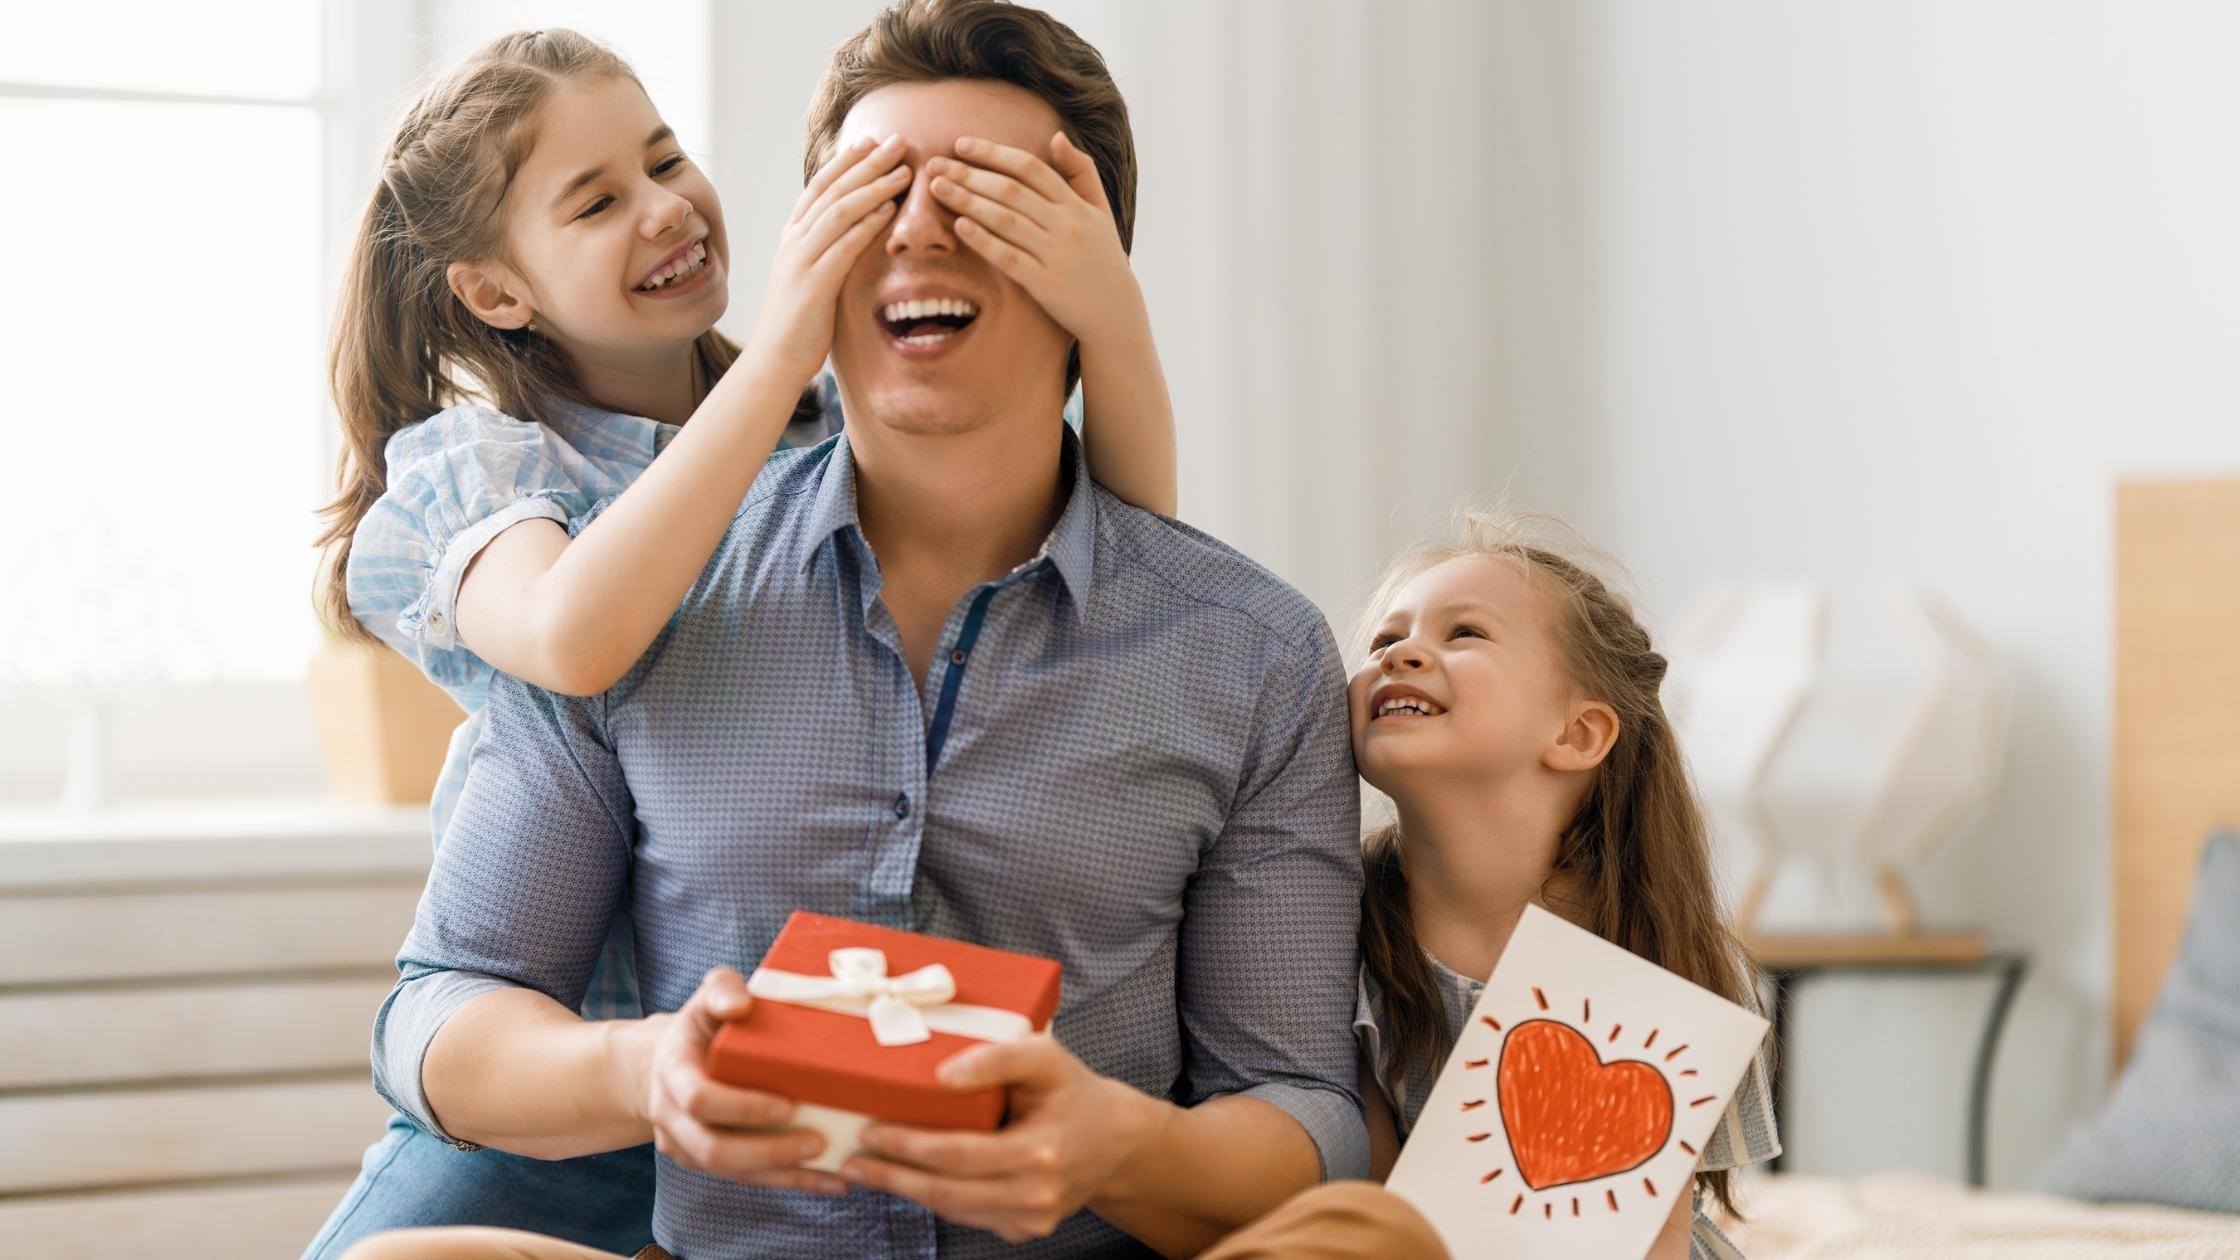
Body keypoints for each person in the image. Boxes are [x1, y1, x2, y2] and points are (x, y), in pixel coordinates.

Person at [336, 3, 1365, 1258]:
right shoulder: (623, 571)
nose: (921, 229)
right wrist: (650, 1069)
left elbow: (1305, 1109)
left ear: (1082, 260)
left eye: (987, 198)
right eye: (874, 194)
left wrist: (1123, 1147)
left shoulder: (1248, 655)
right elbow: (441, 1005)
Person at [1194, 511, 1783, 1259]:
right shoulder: (1332, 923)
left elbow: (1652, 1226)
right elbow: (1370, 1206)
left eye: (1463, 633)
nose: (1402, 652)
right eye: (1384, 640)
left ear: (1577, 734)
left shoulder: (1646, 943)